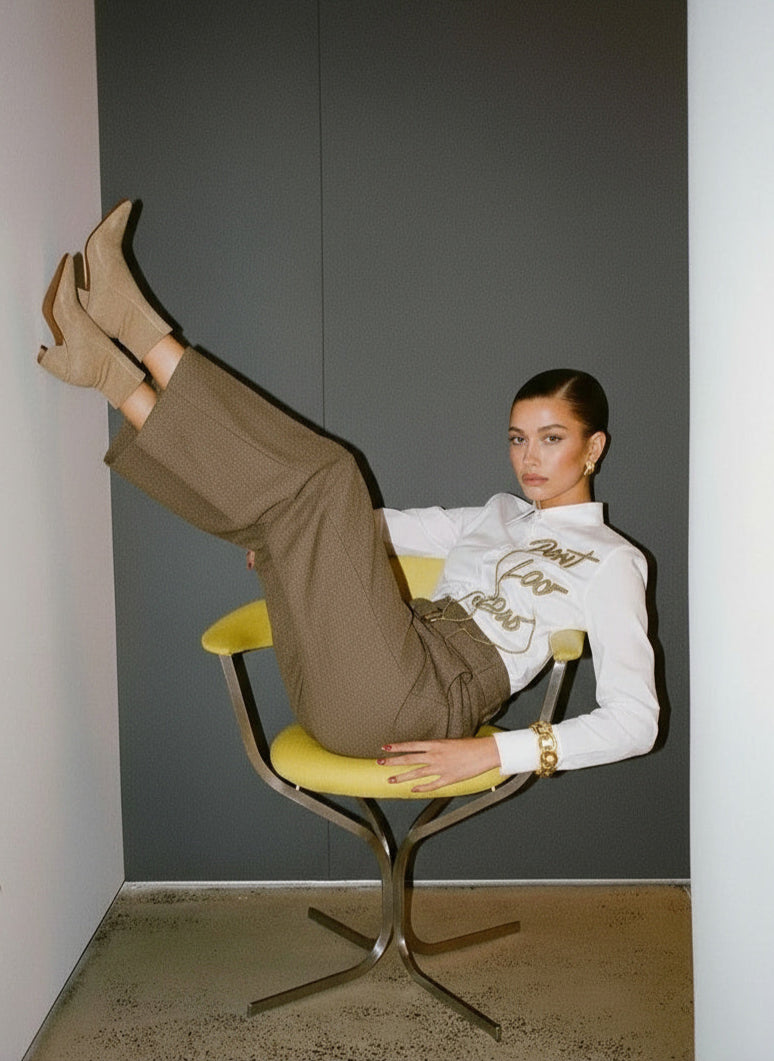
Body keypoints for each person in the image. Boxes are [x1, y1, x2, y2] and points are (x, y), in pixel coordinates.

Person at [37, 200, 659, 792]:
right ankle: (106, 372)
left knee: (331, 477)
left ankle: (131, 320)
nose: (529, 457)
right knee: (276, 521)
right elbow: (379, 526)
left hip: (421, 704)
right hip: (353, 676)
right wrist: (299, 542)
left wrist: (498, 751)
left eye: (552, 438)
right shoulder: (497, 514)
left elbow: (637, 721)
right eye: (519, 438)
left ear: (594, 447)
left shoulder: (613, 561)